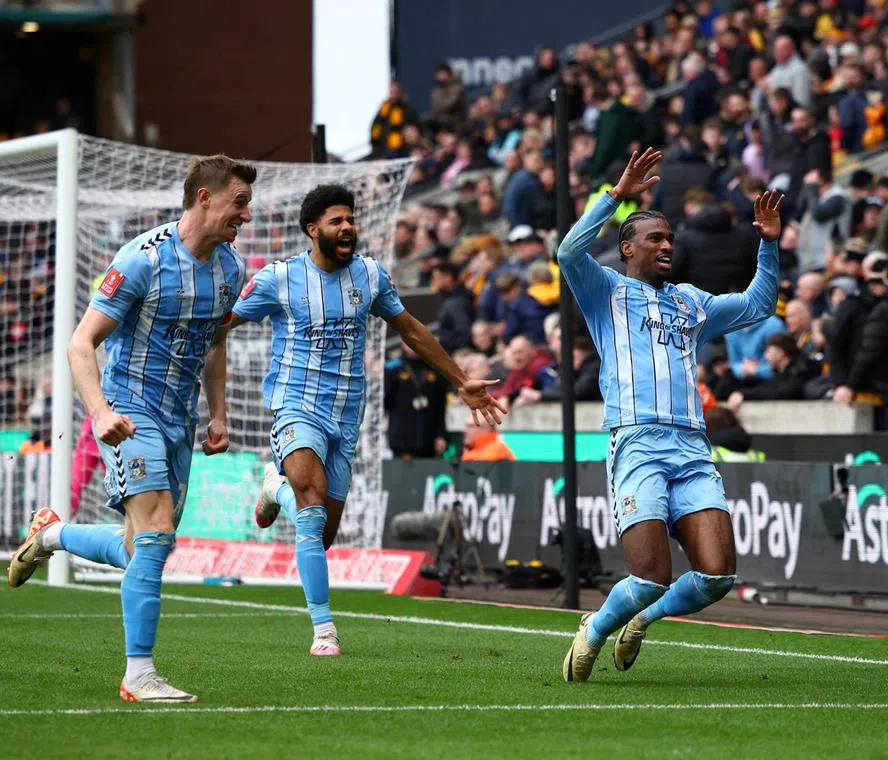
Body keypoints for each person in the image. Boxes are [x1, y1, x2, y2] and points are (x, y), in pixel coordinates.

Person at [6, 155, 257, 703]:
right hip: (128, 407)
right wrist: (99, 411)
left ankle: (50, 534)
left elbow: (216, 344)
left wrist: (218, 414)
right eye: (239, 203)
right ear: (204, 198)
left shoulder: (231, 269)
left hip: (179, 418)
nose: (246, 215)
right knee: (158, 527)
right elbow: (80, 343)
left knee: (143, 547)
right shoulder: (141, 260)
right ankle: (138, 674)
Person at [229, 184, 506, 657]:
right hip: (295, 405)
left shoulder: (371, 276)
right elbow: (222, 322)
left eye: (351, 219)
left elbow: (411, 330)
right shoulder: (279, 278)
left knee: (322, 531)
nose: (348, 228)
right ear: (312, 229)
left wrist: (460, 378)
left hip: (346, 415)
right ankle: (324, 629)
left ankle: (274, 489)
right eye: (337, 221)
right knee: (312, 507)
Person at [558, 147, 782, 682]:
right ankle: (594, 629)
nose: (666, 246)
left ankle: (642, 622)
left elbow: (758, 305)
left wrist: (768, 245)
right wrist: (617, 195)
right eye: (655, 238)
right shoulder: (605, 290)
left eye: (670, 239)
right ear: (627, 246)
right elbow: (568, 251)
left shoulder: (690, 301)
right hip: (637, 441)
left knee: (717, 576)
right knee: (652, 573)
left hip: (692, 448)